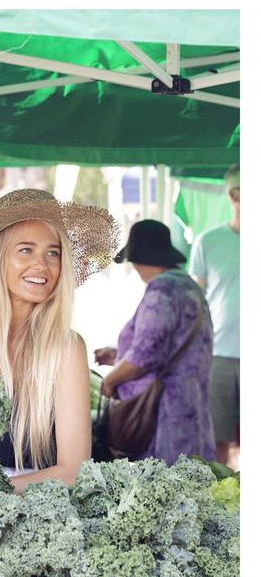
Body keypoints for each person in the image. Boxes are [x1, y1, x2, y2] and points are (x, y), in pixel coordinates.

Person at [0, 188, 120, 492]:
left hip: (36, 521)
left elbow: (74, 470)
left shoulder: (66, 349)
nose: (42, 265)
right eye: (26, 250)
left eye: (53, 253)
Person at [95, 219, 215, 465]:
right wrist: (120, 355)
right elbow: (170, 347)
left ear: (139, 259)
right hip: (193, 410)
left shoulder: (161, 291)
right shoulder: (188, 287)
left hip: (163, 418)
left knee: (166, 490)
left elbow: (144, 358)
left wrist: (111, 380)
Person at [188, 165, 240, 469]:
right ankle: (226, 504)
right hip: (218, 356)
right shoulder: (207, 242)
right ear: (233, 194)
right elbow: (196, 304)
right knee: (218, 439)